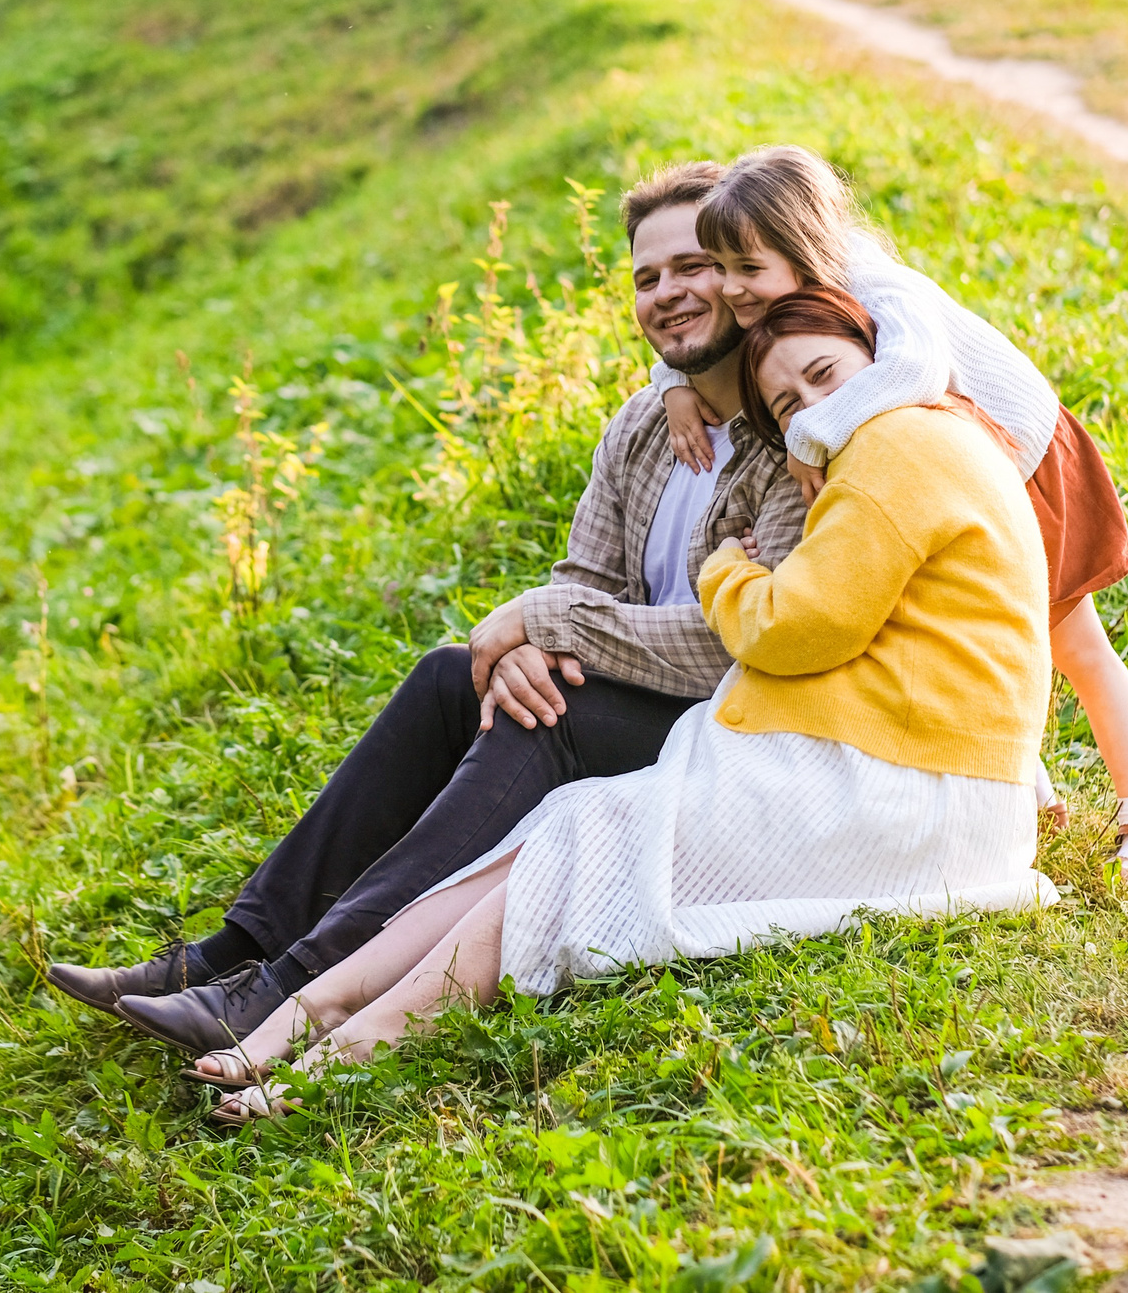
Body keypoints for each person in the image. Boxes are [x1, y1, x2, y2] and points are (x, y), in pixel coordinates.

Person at [199, 289, 1059, 1124]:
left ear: (880, 353)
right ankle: (299, 1015)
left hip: (907, 793)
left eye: (826, 375)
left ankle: (347, 1047)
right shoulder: (911, 436)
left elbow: (799, 627)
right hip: (891, 766)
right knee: (551, 829)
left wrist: (728, 568)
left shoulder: (894, 447)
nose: (810, 414)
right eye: (788, 402)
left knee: (579, 845)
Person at [40, 162, 811, 1054]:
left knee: (546, 719)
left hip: (720, 728)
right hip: (623, 689)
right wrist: (528, 639)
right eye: (647, 277)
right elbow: (579, 579)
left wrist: (547, 626)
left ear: (742, 272)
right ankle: (228, 951)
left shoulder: (789, 434)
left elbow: (739, 646)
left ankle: (284, 988)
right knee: (456, 675)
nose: (669, 293)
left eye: (693, 267)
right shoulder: (643, 422)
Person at [648, 148, 1128, 882]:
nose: (728, 287)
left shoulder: (878, 286)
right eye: (720, 266)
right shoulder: (783, 300)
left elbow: (915, 372)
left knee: (1071, 646)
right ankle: (1024, 789)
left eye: (745, 267)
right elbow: (716, 346)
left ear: (801, 247)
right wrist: (673, 383)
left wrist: (810, 429)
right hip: (933, 479)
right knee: (959, 632)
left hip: (1017, 462)